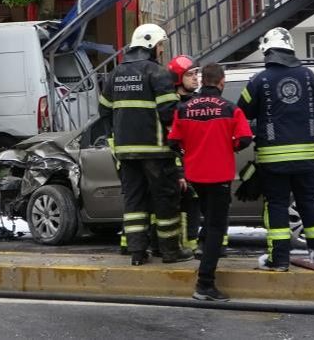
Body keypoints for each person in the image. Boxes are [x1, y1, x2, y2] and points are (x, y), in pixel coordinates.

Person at [237, 27, 314, 271]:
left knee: (277, 205)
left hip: (273, 159)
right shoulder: (309, 75)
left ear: (268, 51)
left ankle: (279, 259)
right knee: (309, 202)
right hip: (307, 158)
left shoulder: (259, 80)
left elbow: (242, 111)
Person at [99, 24, 193, 265]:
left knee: (134, 202)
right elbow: (169, 113)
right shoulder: (158, 73)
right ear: (151, 45)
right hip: (157, 152)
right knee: (165, 200)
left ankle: (137, 253)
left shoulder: (115, 74)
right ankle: (171, 252)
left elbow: (104, 110)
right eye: (161, 45)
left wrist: (117, 139)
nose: (162, 50)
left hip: (126, 153)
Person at [169, 63, 253, 301]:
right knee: (217, 228)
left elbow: (173, 142)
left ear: (203, 80)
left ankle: (203, 258)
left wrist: (190, 151)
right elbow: (245, 139)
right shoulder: (230, 109)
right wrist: (230, 145)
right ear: (221, 82)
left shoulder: (184, 109)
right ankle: (205, 284)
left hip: (195, 176)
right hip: (219, 177)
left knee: (207, 220)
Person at [166, 55, 203, 257]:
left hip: (196, 164)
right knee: (179, 206)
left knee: (194, 205)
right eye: (190, 74)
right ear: (178, 78)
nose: (196, 78)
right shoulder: (171, 106)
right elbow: (171, 141)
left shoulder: (198, 102)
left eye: (197, 73)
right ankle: (181, 244)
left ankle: (192, 242)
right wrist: (179, 170)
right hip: (176, 166)